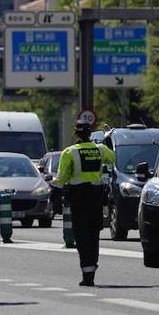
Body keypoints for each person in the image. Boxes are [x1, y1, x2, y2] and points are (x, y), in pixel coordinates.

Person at [53, 115, 115, 287]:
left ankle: (87, 274)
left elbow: (60, 179)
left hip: (79, 201)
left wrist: (55, 196)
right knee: (94, 236)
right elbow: (113, 158)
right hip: (95, 200)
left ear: (76, 134)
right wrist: (107, 139)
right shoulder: (100, 149)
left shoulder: (70, 152)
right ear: (90, 134)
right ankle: (91, 272)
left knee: (82, 238)